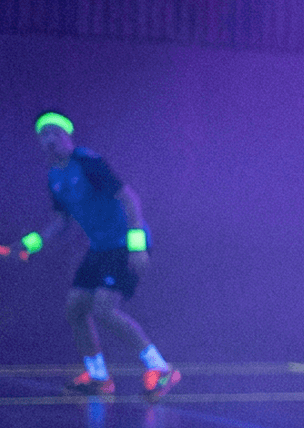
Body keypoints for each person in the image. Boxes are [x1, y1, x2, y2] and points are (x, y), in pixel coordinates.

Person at [10, 112, 180, 401]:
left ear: (67, 137)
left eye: (55, 133)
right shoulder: (54, 176)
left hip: (123, 243)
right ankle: (98, 376)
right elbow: (61, 220)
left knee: (104, 309)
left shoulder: (88, 163)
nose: (50, 139)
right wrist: (31, 243)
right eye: (44, 135)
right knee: (75, 308)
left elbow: (129, 198)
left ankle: (160, 368)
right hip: (99, 248)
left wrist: (136, 244)